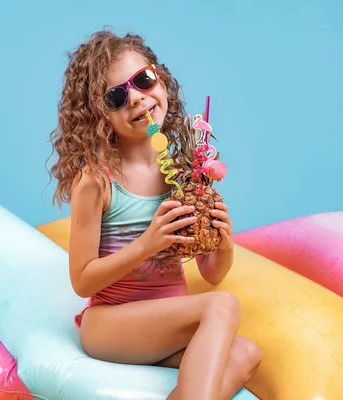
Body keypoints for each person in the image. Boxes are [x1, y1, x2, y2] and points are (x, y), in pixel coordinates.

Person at [47, 30, 262, 400]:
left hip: (165, 322)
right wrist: (148, 244)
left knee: (246, 352)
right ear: (98, 116)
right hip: (111, 325)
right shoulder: (97, 179)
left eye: (143, 80)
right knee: (223, 305)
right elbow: (82, 282)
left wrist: (222, 241)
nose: (136, 98)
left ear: (160, 78)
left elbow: (212, 274)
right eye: (116, 97)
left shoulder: (184, 173)